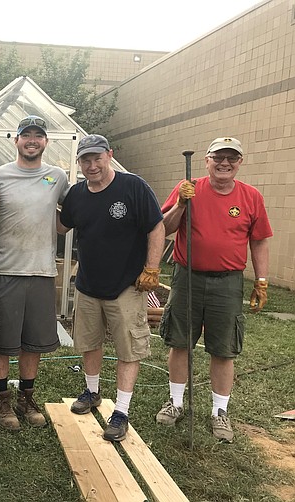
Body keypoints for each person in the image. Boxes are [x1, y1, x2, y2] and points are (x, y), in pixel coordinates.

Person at [155, 137, 272, 442]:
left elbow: (259, 239)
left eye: (232, 158)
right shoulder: (189, 188)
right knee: (180, 342)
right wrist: (181, 203)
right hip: (188, 276)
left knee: (223, 348)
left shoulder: (251, 197)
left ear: (240, 163)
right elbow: (164, 228)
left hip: (228, 281)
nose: (225, 163)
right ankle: (176, 403)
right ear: (206, 160)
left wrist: (261, 280)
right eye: (218, 157)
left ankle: (219, 412)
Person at [57, 134, 165, 442]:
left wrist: (152, 268)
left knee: (128, 348)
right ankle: (91, 393)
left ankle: (121, 411)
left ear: (109, 155)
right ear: (79, 163)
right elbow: (62, 225)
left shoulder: (133, 187)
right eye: (85, 160)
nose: (91, 166)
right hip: (89, 284)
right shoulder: (77, 194)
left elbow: (156, 227)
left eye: (97, 158)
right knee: (89, 342)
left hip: (127, 285)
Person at [0, 115, 70, 430]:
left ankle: (26, 398)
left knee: (33, 342)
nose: (32, 140)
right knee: (2, 340)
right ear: (16, 140)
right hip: (6, 268)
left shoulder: (58, 176)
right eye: (26, 135)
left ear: (45, 142)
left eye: (38, 135)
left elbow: (69, 213)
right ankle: (2, 400)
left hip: (42, 270)